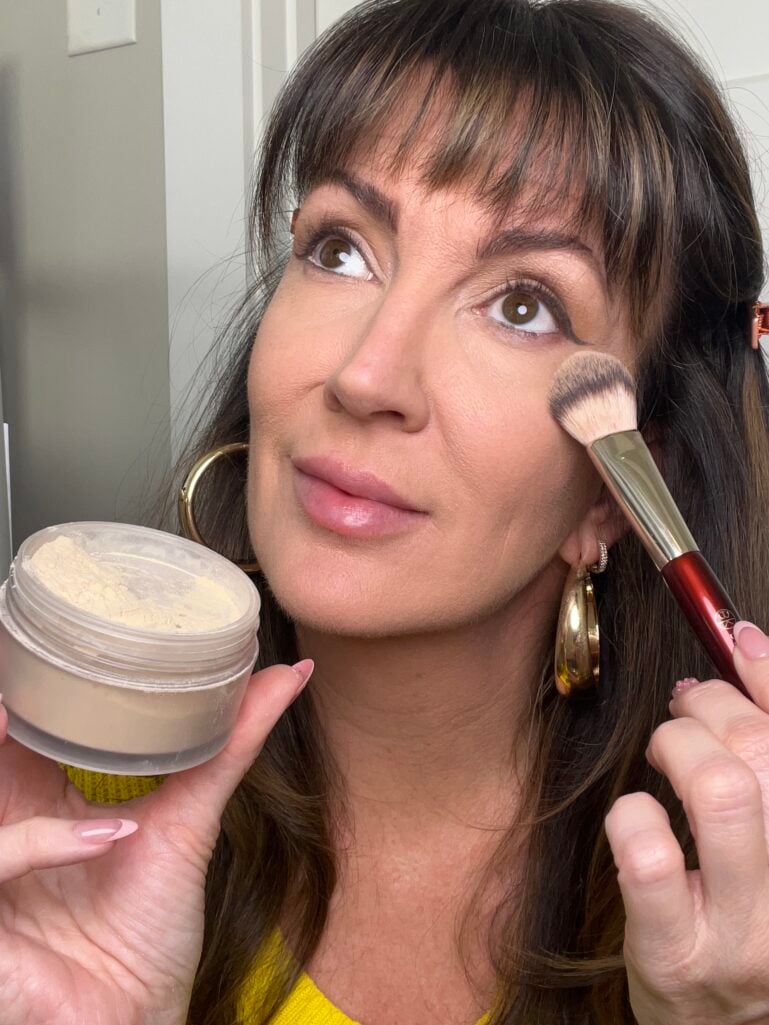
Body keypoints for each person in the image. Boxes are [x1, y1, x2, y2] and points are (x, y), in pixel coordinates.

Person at [2, 0, 768, 1022]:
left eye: (523, 304)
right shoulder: (61, 804)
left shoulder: (724, 908)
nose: (366, 374)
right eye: (340, 248)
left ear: (617, 490)